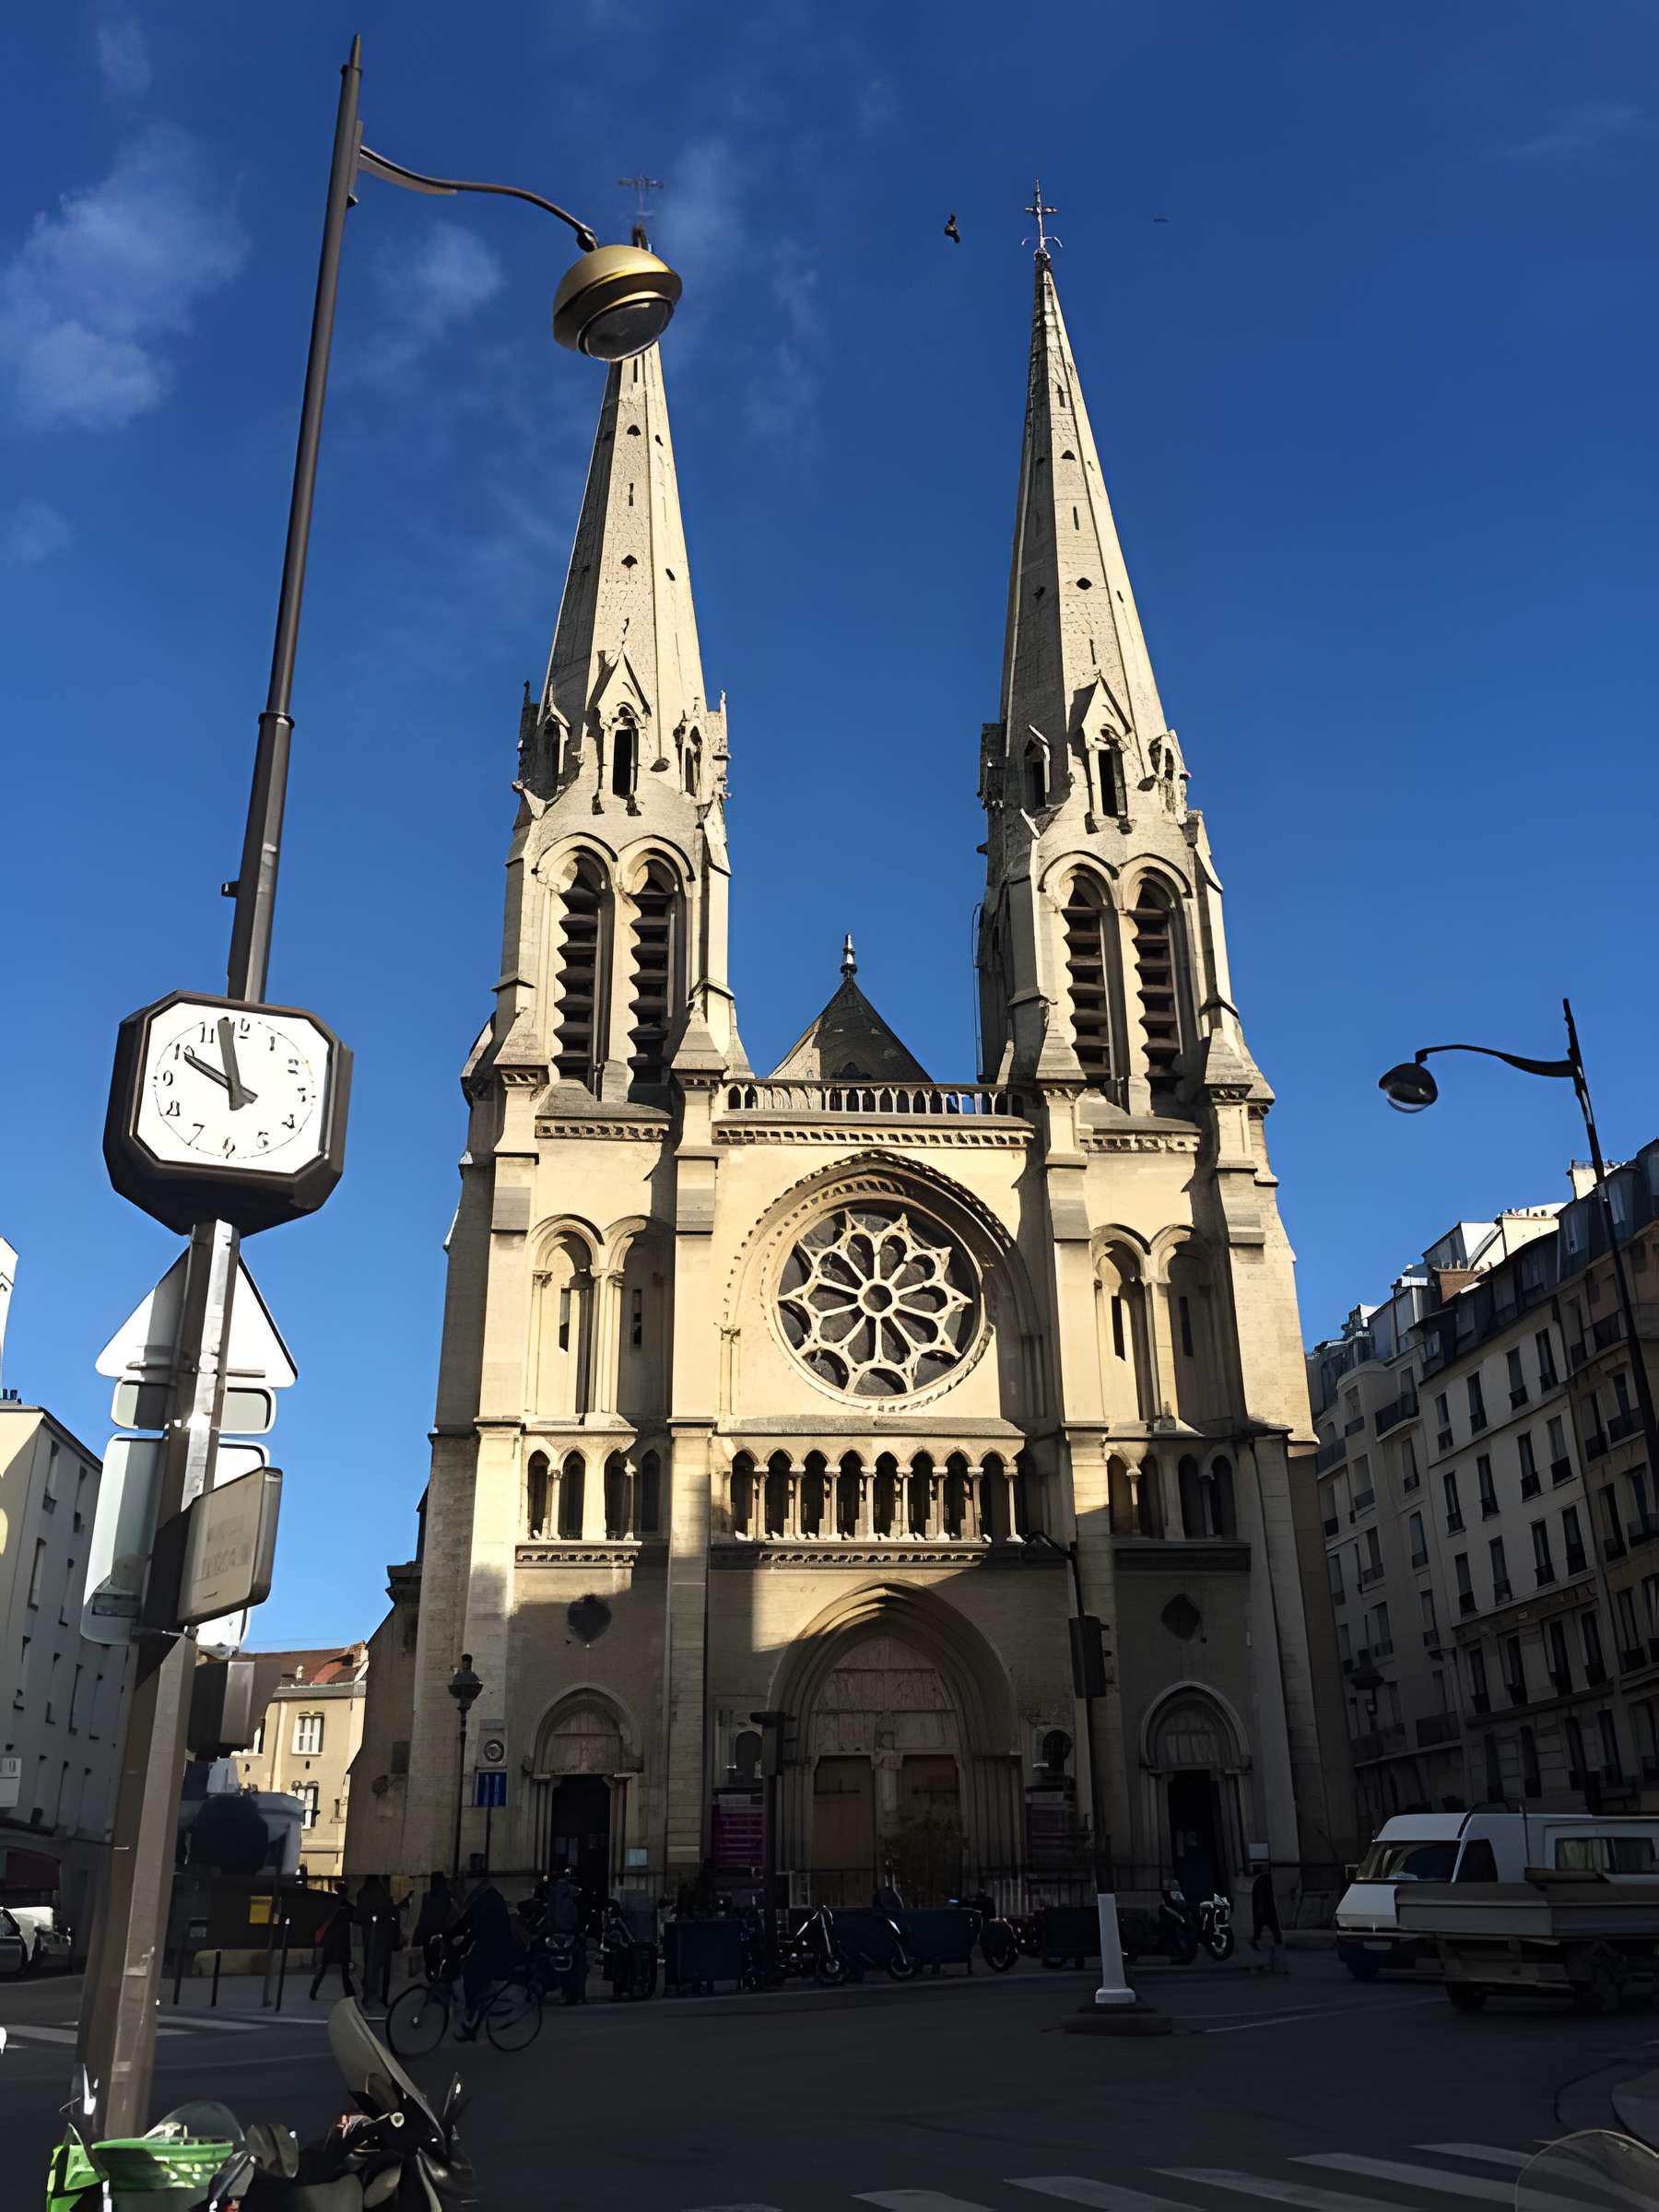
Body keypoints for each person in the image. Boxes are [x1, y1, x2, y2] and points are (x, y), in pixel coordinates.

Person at [450, 1871, 516, 2039]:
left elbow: (476, 1929)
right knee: (472, 1976)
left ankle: (474, 2019)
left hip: (497, 1949)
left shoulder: (489, 1900)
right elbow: (466, 1923)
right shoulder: (481, 1898)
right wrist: (447, 1935)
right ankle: (475, 2015)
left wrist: (461, 1945)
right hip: (489, 1946)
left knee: (472, 1975)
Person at [309, 1880, 357, 2002]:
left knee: (324, 1967)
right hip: (342, 1942)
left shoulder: (332, 1904)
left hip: (330, 1942)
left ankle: (313, 1992)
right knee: (344, 1971)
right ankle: (350, 1993)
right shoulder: (345, 1905)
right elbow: (355, 1916)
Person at [547, 1863, 587, 2006]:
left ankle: (568, 1993)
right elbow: (572, 1917)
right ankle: (577, 1994)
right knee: (577, 1966)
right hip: (570, 1934)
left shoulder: (553, 1894)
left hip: (557, 1933)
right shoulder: (569, 1895)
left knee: (565, 1966)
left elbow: (551, 1916)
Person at [357, 1874, 397, 2008]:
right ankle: (380, 1994)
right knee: (382, 1966)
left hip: (371, 1933)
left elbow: (361, 1913)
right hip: (383, 1934)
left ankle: (369, 1992)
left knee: (371, 1963)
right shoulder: (384, 1895)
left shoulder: (363, 1894)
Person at [410, 1871, 453, 1983]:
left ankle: (435, 1987)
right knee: (438, 1963)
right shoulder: (446, 1896)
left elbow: (423, 1917)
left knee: (432, 1963)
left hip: (431, 1934)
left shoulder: (430, 1896)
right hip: (439, 1934)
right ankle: (438, 1988)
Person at [1250, 1864, 1283, 1954]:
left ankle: (1255, 1943)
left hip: (1263, 1909)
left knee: (1259, 1929)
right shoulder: (1266, 1880)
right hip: (1267, 1909)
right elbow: (1264, 1895)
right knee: (1274, 1928)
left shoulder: (1260, 1880)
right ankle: (1278, 1944)